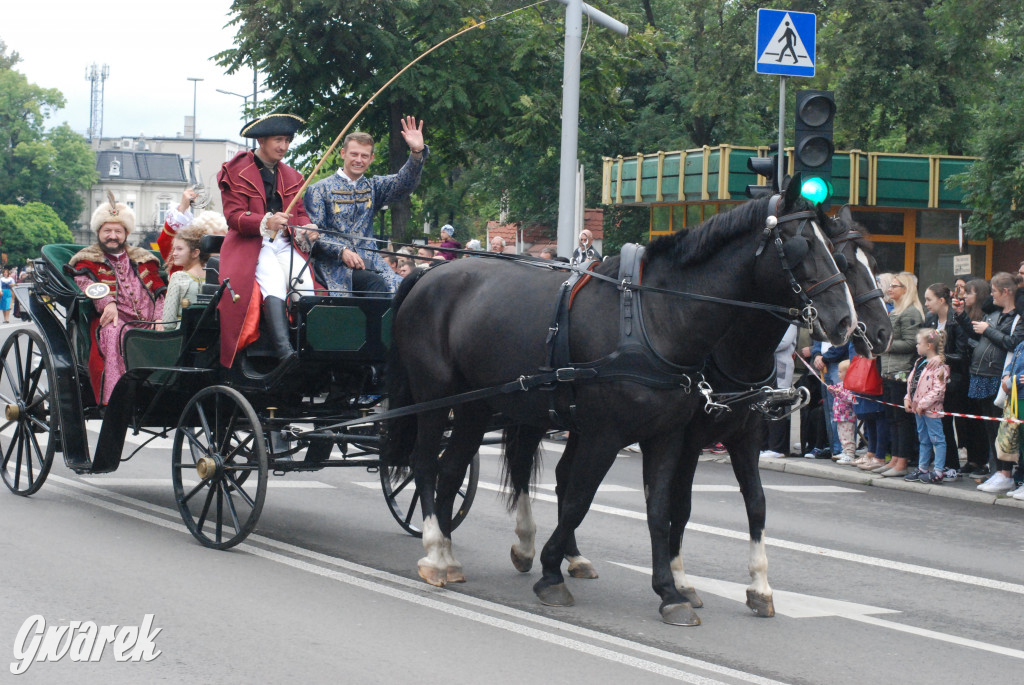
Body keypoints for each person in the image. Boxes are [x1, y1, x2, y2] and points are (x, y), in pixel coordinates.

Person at [217, 112, 322, 370]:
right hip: (251, 245)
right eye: (278, 140)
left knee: (305, 284)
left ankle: (307, 348)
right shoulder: (235, 171)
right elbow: (233, 216)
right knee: (273, 281)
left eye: (287, 140)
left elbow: (298, 215)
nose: (284, 147)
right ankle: (284, 351)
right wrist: (266, 221)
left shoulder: (293, 176)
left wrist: (307, 227)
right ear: (261, 140)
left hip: (285, 243)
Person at [303, 117, 427, 295]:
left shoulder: (373, 187)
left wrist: (416, 152)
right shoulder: (318, 190)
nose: (359, 160)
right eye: (354, 154)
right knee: (375, 285)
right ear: (343, 153)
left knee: (409, 289)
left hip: (372, 263)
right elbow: (314, 234)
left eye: (364, 156)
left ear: (371, 158)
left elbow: (403, 183)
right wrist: (341, 251)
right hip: (335, 267)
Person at [69, 193, 165, 405]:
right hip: (115, 321)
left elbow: (160, 291)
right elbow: (85, 283)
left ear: (126, 233)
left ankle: (165, 394)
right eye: (107, 231)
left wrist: (159, 319)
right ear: (99, 232)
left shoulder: (143, 258)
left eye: (117, 231)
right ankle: (114, 401)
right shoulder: (87, 259)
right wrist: (108, 303)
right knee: (113, 332)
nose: (112, 236)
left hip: (150, 322)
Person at [960, 272, 1024, 490]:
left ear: (1006, 292)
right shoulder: (994, 312)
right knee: (988, 425)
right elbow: (978, 335)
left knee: (1001, 426)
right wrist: (961, 317)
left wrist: (989, 330)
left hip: (999, 374)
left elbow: (1013, 343)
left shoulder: (1017, 316)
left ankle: (1006, 471)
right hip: (981, 373)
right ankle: (997, 469)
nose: (991, 296)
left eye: (995, 291)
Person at [870, 272, 924, 477]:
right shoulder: (895, 311)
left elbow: (911, 343)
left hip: (902, 371)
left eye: (895, 286)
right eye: (890, 286)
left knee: (901, 419)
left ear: (906, 289)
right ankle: (894, 458)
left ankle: (902, 461)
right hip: (889, 369)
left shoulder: (910, 312)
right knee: (892, 417)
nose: (890, 289)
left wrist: (886, 345)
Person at [922, 283, 968, 476]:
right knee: (938, 423)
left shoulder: (955, 321)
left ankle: (953, 465)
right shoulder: (931, 319)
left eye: (929, 299)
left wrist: (943, 358)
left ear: (942, 300)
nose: (926, 304)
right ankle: (943, 463)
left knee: (950, 422)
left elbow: (963, 354)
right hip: (934, 379)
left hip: (954, 379)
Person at [903, 329, 950, 483]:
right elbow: (913, 382)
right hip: (919, 409)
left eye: (919, 343)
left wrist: (923, 404)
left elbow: (939, 390)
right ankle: (923, 467)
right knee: (923, 438)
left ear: (929, 345)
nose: (916, 346)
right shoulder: (919, 362)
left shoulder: (939, 365)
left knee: (937, 439)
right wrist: (908, 398)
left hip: (931, 409)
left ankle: (938, 471)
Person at [161, 224, 211, 329]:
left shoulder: (178, 277)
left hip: (181, 339)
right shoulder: (214, 278)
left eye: (179, 249)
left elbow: (168, 323)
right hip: (208, 340)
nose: (174, 253)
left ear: (195, 253)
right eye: (174, 249)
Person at [828, 359, 858, 463]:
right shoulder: (840, 384)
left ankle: (850, 454)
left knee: (848, 435)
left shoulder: (851, 386)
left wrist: (840, 393)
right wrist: (832, 390)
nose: (838, 374)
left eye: (841, 372)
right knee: (841, 435)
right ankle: (844, 451)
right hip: (839, 416)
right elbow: (836, 393)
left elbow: (852, 399)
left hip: (847, 416)